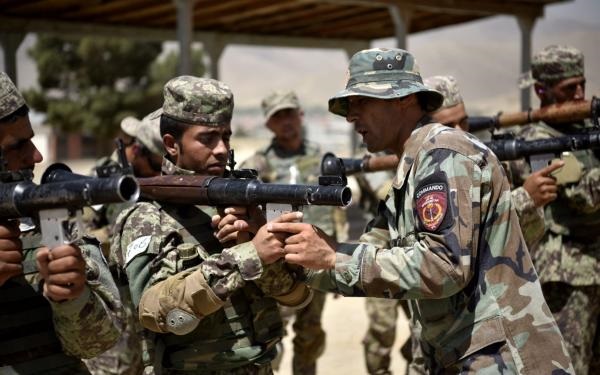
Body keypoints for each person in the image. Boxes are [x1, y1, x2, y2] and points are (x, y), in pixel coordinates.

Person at [266, 48, 574, 373]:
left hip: (505, 360)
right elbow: (369, 250)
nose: (350, 116)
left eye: (362, 101)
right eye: (349, 106)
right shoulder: (412, 169)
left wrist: (333, 256)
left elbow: (444, 267)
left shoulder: (445, 156)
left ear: (404, 100)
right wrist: (282, 246)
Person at [111, 76, 313, 374]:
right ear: (171, 144)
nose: (221, 149)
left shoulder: (241, 204)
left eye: (226, 137)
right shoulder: (147, 217)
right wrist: (245, 257)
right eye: (207, 138)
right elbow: (152, 311)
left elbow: (297, 297)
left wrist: (258, 243)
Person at [0, 72, 123, 373]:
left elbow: (98, 342)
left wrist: (72, 296)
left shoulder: (50, 221)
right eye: (17, 146)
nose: (37, 156)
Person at [508, 44, 600, 374]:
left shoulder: (582, 130)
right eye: (568, 88)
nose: (579, 94)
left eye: (582, 85)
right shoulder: (537, 140)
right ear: (540, 90)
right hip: (566, 278)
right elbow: (586, 196)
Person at [84, 111, 164, 375]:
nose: (161, 170)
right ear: (138, 151)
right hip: (116, 301)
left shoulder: (163, 181)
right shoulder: (104, 179)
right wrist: (121, 234)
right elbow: (80, 234)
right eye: (156, 163)